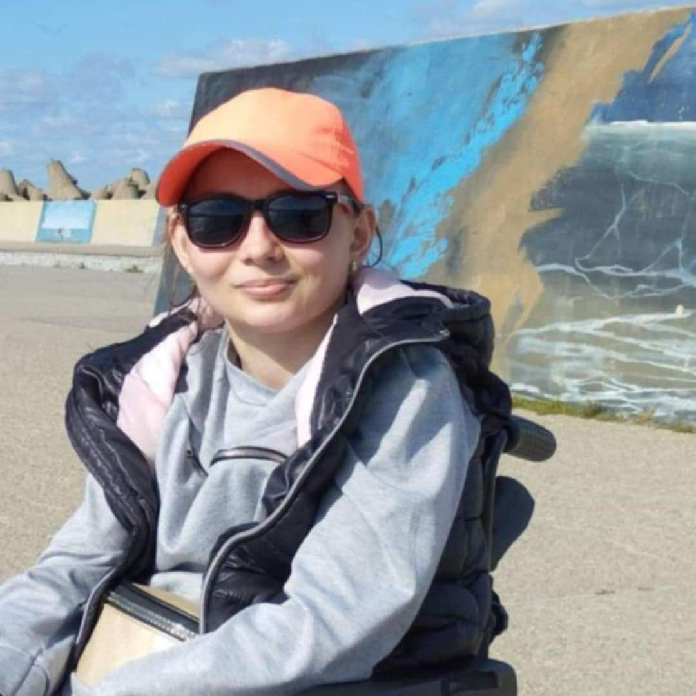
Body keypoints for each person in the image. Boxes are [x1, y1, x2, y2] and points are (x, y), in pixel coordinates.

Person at [0, 87, 504, 696]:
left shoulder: (406, 387)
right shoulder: (154, 383)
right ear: (182, 243)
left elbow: (328, 621)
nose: (259, 248)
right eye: (218, 221)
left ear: (358, 233)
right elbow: (72, 570)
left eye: (300, 215)